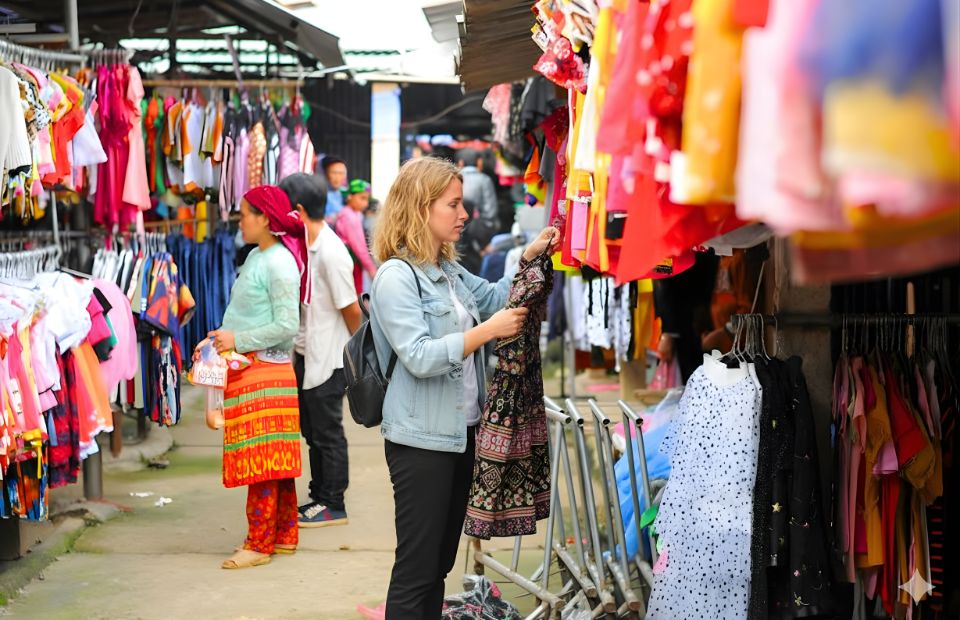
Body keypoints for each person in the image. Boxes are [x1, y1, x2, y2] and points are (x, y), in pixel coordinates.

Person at [369, 157, 559, 618]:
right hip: (421, 441)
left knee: (439, 562)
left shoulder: (448, 271)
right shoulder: (397, 276)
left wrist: (529, 257)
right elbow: (418, 355)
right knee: (417, 565)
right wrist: (485, 333)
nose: (464, 213)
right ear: (420, 208)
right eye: (452, 204)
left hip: (461, 434)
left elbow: (495, 297)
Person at [207, 185, 306, 570]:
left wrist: (238, 339)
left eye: (246, 212)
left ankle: (258, 543)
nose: (240, 219)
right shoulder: (258, 257)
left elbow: (287, 324)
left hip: (264, 369)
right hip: (252, 367)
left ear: (265, 218)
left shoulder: (278, 263)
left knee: (261, 461)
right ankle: (282, 536)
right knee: (273, 461)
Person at [278, 173, 362, 529]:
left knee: (327, 433)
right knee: (312, 432)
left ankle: (333, 502)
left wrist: (360, 361)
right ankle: (319, 495)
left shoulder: (330, 252)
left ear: (296, 211)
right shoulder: (305, 247)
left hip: (329, 360)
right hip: (307, 356)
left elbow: (351, 309)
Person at [336, 178, 378, 294]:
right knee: (354, 292)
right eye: (362, 198)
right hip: (351, 261)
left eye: (366, 199)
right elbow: (358, 246)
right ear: (350, 196)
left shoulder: (355, 214)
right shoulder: (349, 217)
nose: (365, 203)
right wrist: (370, 268)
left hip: (353, 260)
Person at [456, 148, 500, 233]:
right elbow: (490, 210)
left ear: (461, 163)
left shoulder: (453, 179)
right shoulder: (485, 179)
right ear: (479, 162)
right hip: (478, 229)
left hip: (457, 227)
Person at [321, 155, 348, 224]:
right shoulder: (320, 194)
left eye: (341, 173)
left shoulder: (346, 193)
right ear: (325, 174)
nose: (338, 177)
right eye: (334, 173)